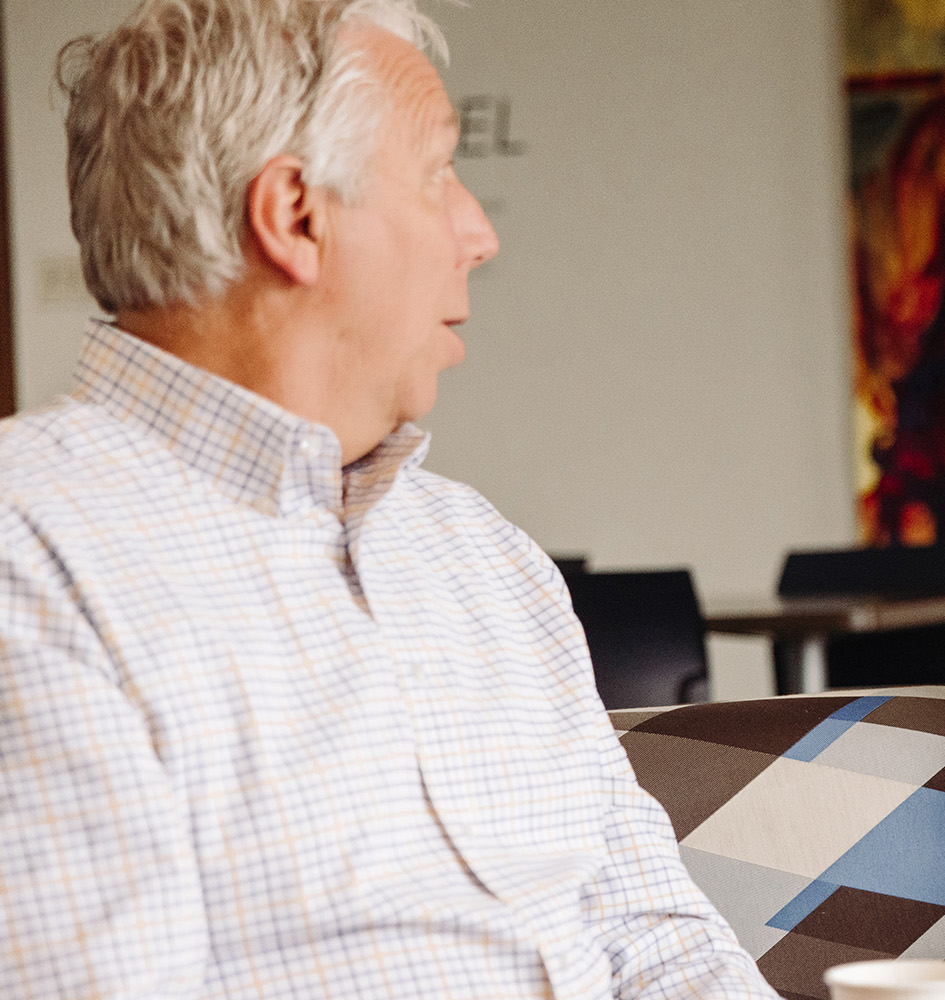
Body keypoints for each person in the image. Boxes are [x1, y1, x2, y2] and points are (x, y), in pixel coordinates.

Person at [0, 2, 774, 997]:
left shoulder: (482, 554)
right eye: (437, 173)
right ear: (296, 217)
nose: (479, 234)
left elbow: (660, 941)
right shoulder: (31, 552)